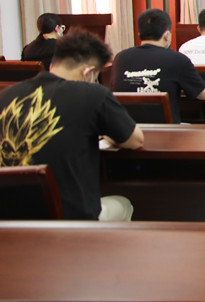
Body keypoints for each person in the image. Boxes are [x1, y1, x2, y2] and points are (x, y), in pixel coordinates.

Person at [0, 30, 144, 220]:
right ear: (88, 72)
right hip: (70, 220)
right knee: (123, 204)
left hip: (9, 218)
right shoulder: (93, 95)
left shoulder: (6, 95)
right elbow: (135, 140)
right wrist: (106, 133)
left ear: (53, 64)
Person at [112, 8, 205, 123]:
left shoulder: (120, 58)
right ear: (167, 35)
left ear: (139, 34)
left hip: (127, 129)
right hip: (166, 131)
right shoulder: (178, 59)